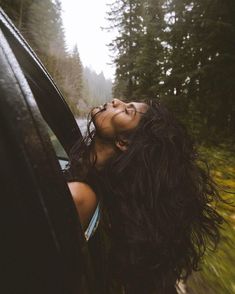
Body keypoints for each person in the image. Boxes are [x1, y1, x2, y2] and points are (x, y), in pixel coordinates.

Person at [64, 98, 224, 294]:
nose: (116, 101)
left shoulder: (80, 196)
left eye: (127, 111)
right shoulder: (101, 191)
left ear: (123, 142)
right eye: (124, 103)